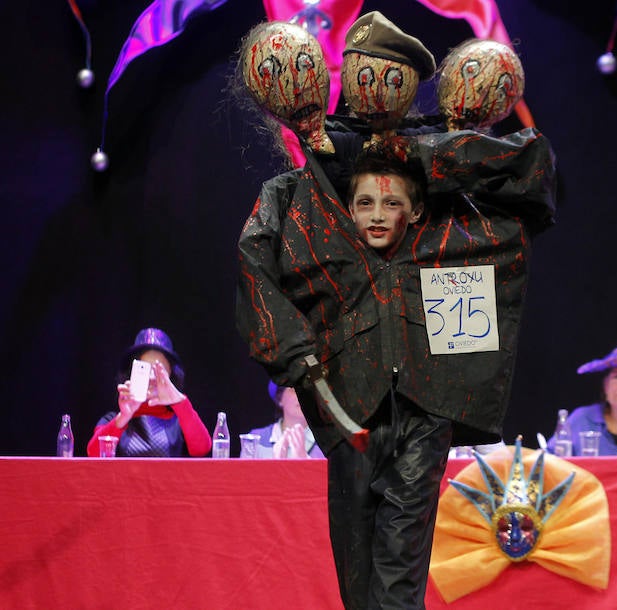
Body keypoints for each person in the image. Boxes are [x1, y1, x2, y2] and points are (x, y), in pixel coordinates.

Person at [234, 13, 556, 610]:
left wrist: (431, 149)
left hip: (423, 404)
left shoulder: (440, 180)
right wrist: (300, 361)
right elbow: (258, 272)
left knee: (399, 574)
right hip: (347, 405)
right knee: (357, 578)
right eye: (366, 203)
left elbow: (531, 174)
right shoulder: (304, 189)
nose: (378, 213)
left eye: (389, 203)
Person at [87, 328, 212, 457]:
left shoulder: (180, 421)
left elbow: (202, 449)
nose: (152, 377)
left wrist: (179, 401)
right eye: (145, 368)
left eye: (159, 369)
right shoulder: (113, 419)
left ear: (170, 374)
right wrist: (123, 418)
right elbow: (94, 455)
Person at [248, 382, 325, 459]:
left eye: (307, 391)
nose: (302, 397)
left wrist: (304, 461)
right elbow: (243, 470)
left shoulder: (327, 440)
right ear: (279, 398)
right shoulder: (256, 439)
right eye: (294, 390)